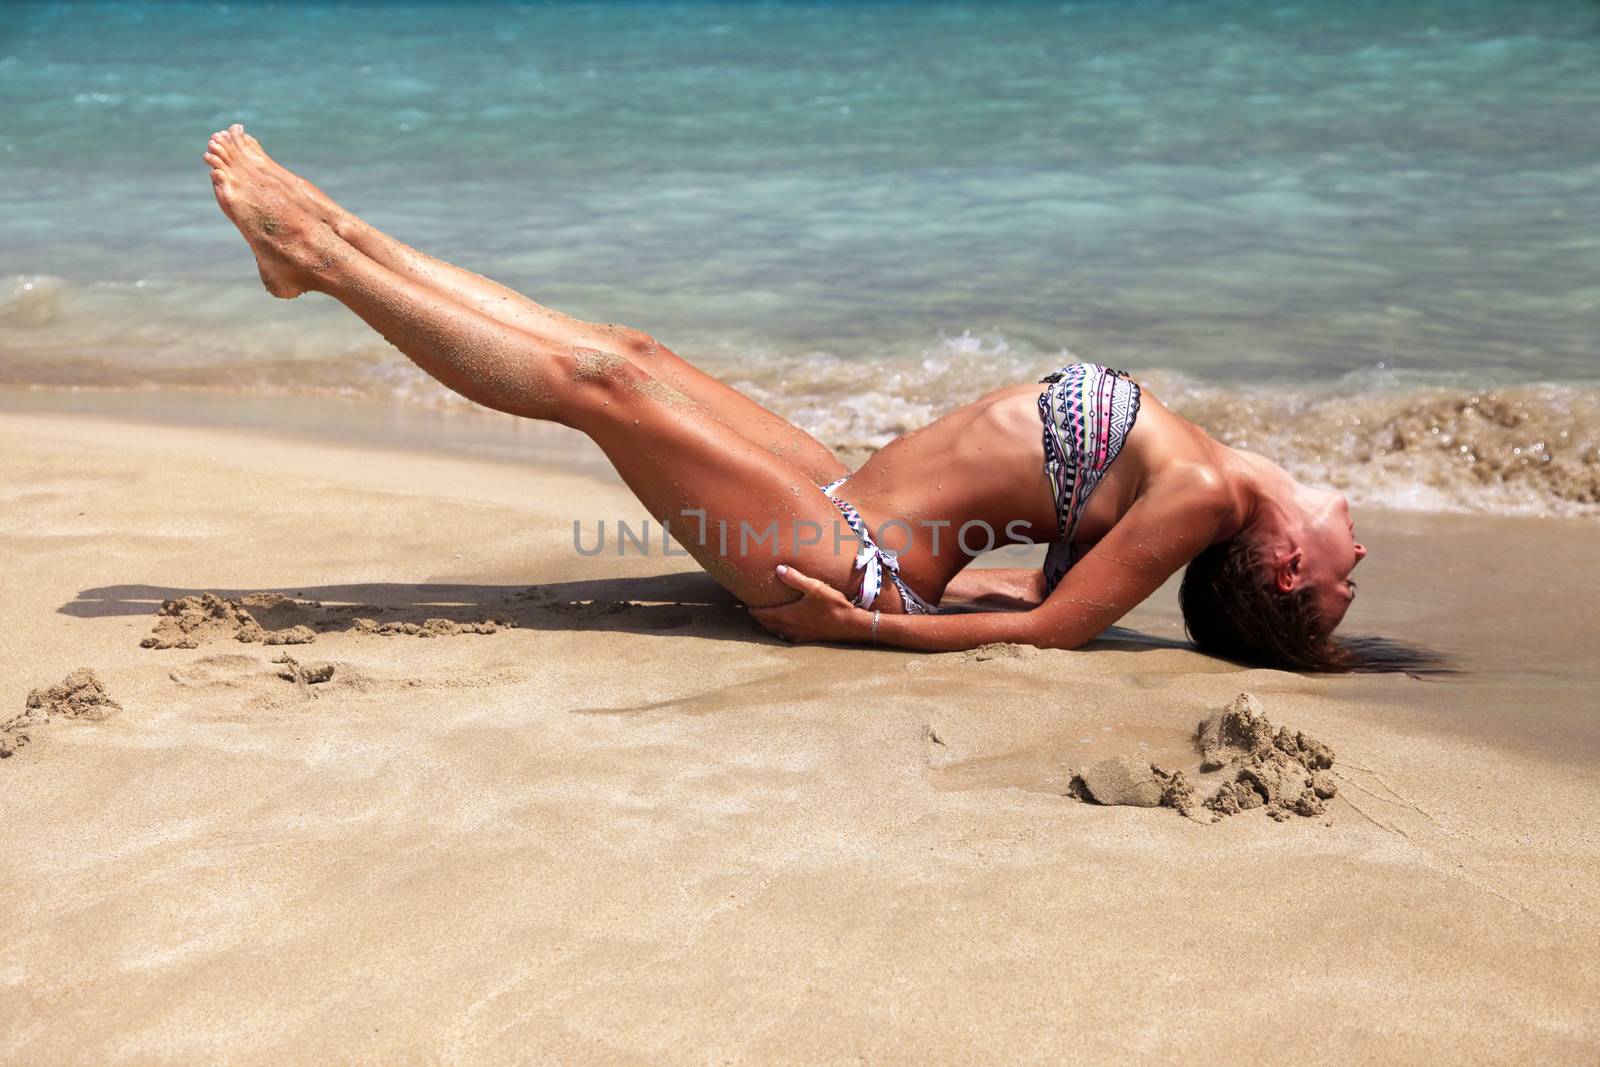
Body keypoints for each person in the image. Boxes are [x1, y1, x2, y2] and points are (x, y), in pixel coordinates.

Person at [202, 124, 1398, 673]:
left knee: (600, 384)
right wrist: (986, 581)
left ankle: (322, 254)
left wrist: (871, 627)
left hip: (850, 560)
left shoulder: (1196, 493)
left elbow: (1056, 628)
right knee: (637, 349)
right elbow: (1055, 582)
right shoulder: (1190, 481)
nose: (1358, 560)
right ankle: (333, 240)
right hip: (846, 502)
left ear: (1285, 566)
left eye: (1342, 588)